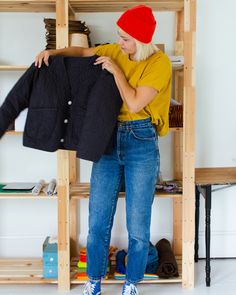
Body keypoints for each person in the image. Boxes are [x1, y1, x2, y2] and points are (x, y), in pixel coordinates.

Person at [35, 4, 171, 295]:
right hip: (107, 138)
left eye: (125, 38)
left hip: (142, 141)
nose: (119, 43)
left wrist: (116, 70)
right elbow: (83, 53)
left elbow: (134, 103)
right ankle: (94, 280)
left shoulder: (159, 63)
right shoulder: (114, 50)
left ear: (142, 40)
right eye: (119, 37)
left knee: (138, 224)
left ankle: (131, 282)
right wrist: (54, 53)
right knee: (97, 220)